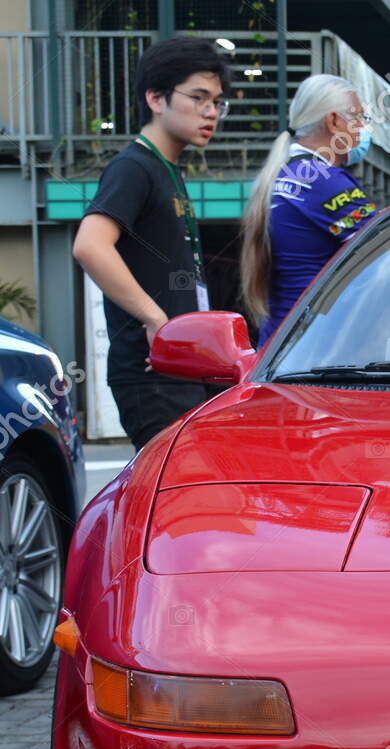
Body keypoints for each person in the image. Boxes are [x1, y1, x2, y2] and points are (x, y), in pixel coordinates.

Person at [72, 36, 232, 449]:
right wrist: (155, 319)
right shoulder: (134, 167)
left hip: (180, 370)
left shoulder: (167, 169)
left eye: (217, 101)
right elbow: (90, 245)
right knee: (179, 498)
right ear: (156, 98)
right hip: (151, 375)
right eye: (198, 98)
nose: (211, 111)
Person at [241, 75, 390, 347]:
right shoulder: (322, 179)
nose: (363, 128)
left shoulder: (288, 173)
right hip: (311, 347)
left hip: (285, 342)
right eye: (359, 119)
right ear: (334, 121)